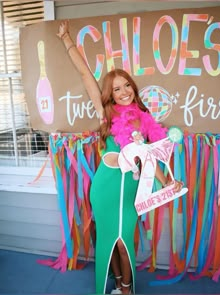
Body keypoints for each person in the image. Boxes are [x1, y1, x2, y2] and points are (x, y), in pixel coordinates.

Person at [57, 20, 183, 294]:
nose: (124, 92)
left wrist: (166, 183)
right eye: (117, 89)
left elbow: (149, 159)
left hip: (130, 192)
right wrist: (66, 39)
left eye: (127, 86)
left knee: (125, 241)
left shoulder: (146, 121)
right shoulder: (107, 115)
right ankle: (114, 282)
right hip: (105, 188)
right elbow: (85, 75)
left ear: (133, 88)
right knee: (107, 240)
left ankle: (126, 287)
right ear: (110, 94)